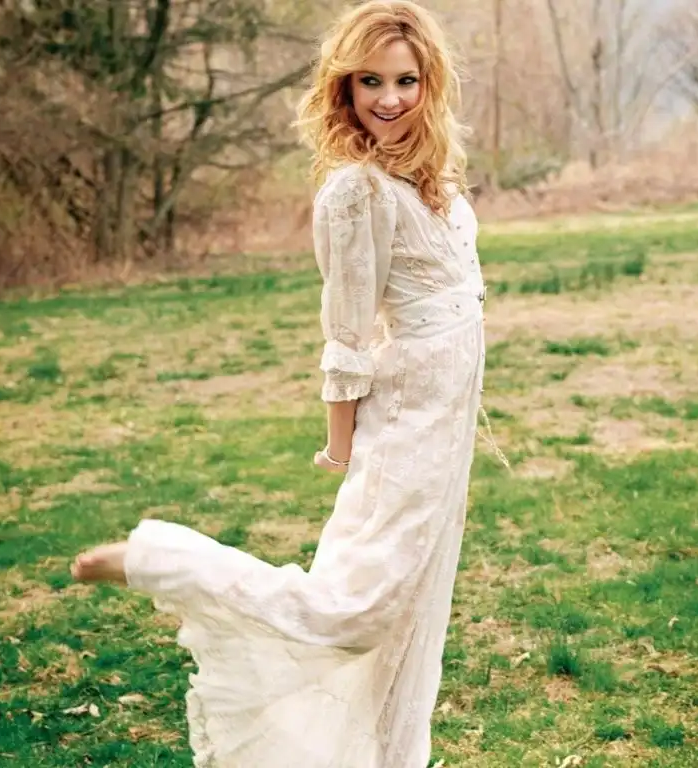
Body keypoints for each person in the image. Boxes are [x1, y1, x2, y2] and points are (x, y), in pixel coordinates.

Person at [70, 2, 489, 765]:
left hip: (446, 418)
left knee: (415, 611)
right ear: (345, 88)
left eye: (405, 80)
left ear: (429, 82)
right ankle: (160, 560)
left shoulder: (430, 173)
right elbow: (348, 334)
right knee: (358, 610)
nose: (390, 98)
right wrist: (342, 446)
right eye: (370, 81)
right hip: (409, 419)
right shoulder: (356, 191)